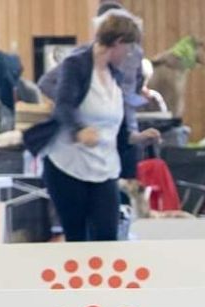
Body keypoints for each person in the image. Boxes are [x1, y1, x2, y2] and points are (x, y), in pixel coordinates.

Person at [23, 10, 159, 242]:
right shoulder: (76, 65)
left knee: (107, 235)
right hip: (68, 166)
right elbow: (63, 107)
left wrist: (138, 137)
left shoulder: (115, 74)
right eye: (129, 48)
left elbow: (115, 126)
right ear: (117, 43)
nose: (129, 54)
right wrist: (79, 130)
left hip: (104, 168)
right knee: (78, 237)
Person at [38, 1, 146, 180]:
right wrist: (78, 118)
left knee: (125, 200)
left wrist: (134, 135)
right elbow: (49, 87)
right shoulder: (79, 61)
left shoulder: (125, 62)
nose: (130, 53)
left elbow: (136, 85)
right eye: (128, 47)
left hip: (117, 141)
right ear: (118, 39)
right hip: (76, 155)